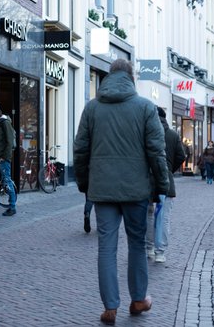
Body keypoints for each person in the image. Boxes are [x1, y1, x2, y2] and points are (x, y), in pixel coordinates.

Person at [73, 59, 169, 325]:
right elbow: (156, 151)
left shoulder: (92, 108)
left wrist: (84, 184)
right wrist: (161, 184)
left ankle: (110, 307)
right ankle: (138, 298)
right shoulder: (146, 107)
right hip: (135, 189)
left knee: (106, 246)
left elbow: (80, 150)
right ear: (131, 77)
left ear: (109, 76)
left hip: (102, 189)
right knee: (137, 243)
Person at [146, 107, 186, 263]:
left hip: (148, 181)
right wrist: (169, 170)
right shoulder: (173, 135)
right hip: (166, 180)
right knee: (163, 217)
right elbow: (181, 156)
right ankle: (160, 252)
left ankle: (148, 248)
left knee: (148, 215)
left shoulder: (146, 133)